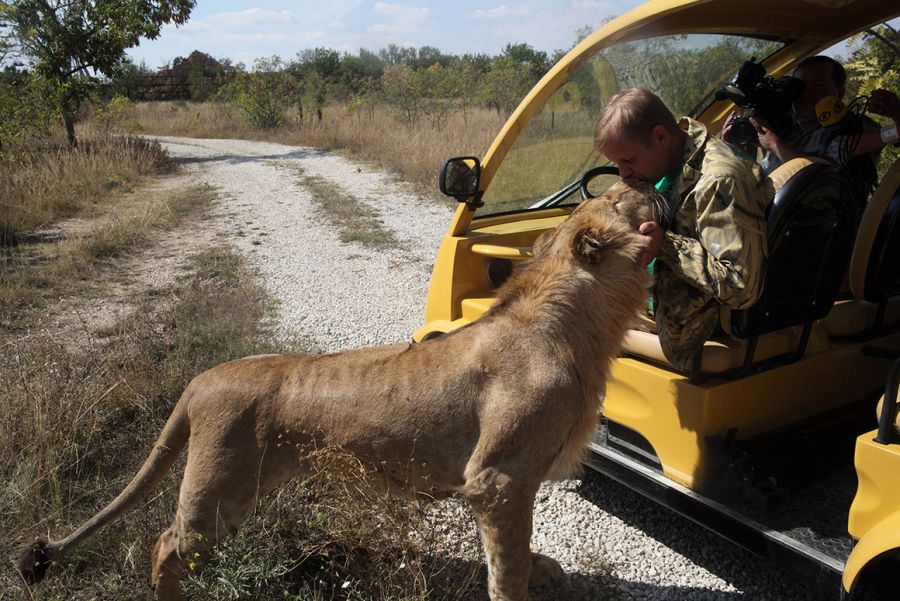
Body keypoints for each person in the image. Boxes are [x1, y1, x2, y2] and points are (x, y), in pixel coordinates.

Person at [595, 88, 774, 371]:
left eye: (627, 161)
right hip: (662, 306)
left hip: (692, 330)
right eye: (617, 164)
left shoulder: (718, 181)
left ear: (661, 137)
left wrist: (665, 245)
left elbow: (741, 286)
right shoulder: (668, 164)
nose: (623, 174)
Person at [740, 56, 900, 219]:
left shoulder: (853, 126)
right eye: (799, 87)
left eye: (818, 85)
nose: (806, 93)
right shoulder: (786, 133)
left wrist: (896, 113)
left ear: (839, 92)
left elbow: (819, 173)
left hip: (831, 234)